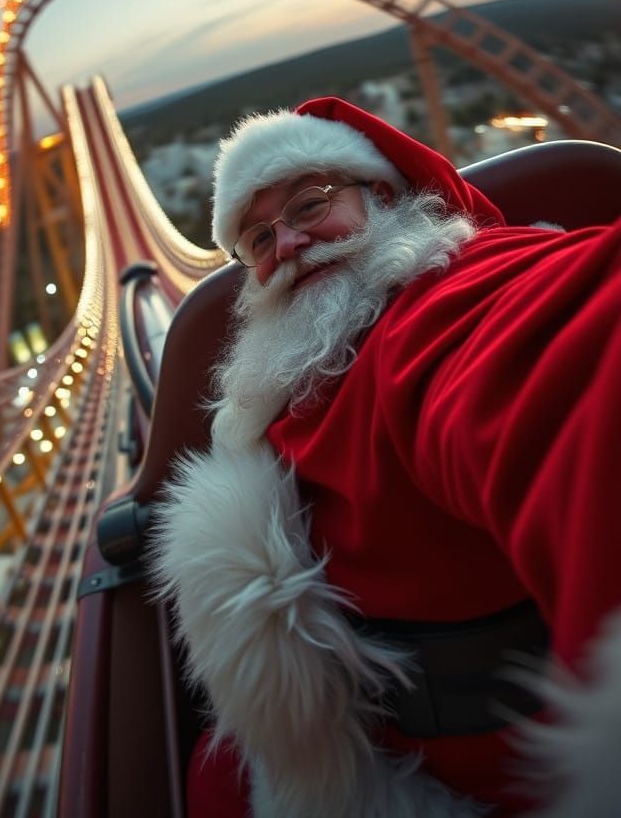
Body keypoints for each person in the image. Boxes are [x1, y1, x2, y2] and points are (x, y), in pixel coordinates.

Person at [151, 96, 621, 817]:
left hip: (475, 779)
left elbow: (563, 352)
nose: (289, 244)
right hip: (356, 744)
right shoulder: (299, 369)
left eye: (309, 205)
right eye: (258, 239)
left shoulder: (437, 305)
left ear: (383, 196)